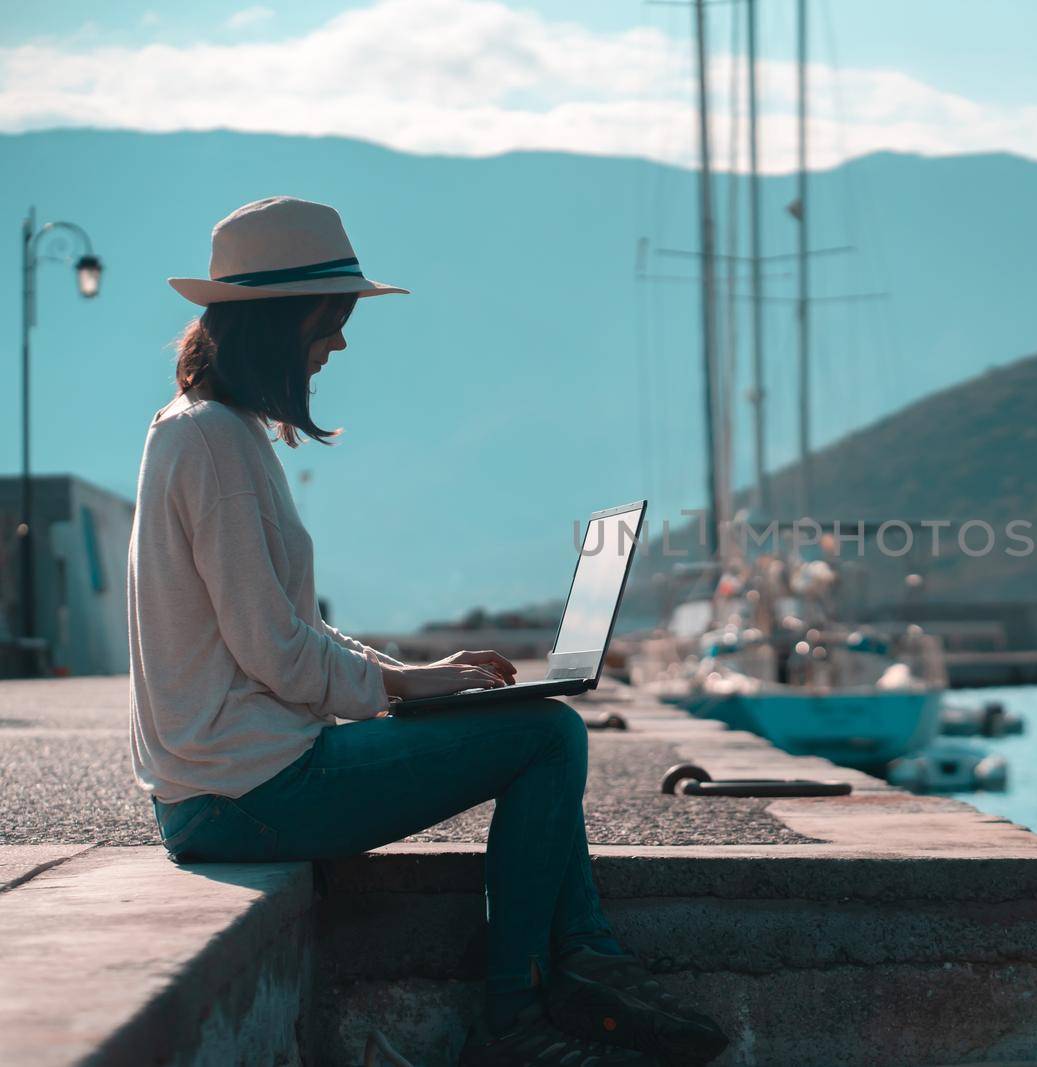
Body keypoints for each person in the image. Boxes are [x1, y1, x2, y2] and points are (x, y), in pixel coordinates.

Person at [129, 196, 728, 1067]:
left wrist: (417, 673)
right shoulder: (215, 444)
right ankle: (523, 1017)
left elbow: (287, 633)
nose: (339, 343)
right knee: (548, 737)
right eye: (332, 320)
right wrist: (403, 687)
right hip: (243, 793)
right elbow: (277, 651)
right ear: (283, 319)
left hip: (228, 783)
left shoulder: (207, 431)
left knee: (538, 730)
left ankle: (590, 967)